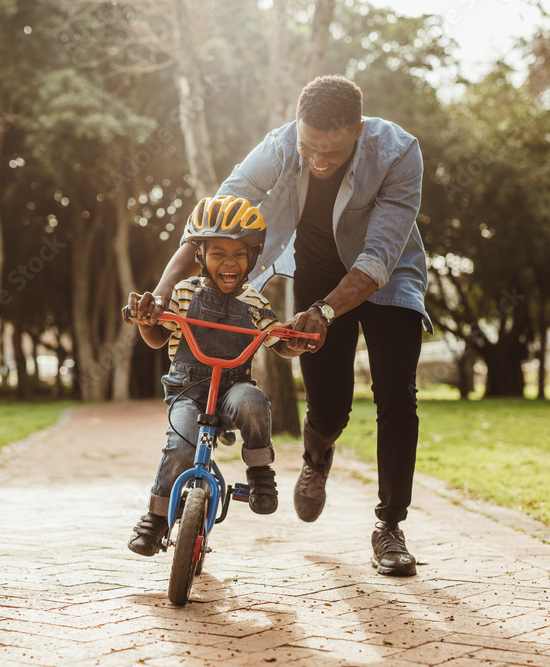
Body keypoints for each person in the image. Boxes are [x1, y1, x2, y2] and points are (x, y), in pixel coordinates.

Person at [135, 75, 431, 576]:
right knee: (330, 406)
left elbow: (378, 256)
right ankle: (317, 454)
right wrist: (161, 295)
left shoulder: (399, 153)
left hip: (388, 273)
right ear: (298, 127)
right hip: (318, 269)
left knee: (396, 392)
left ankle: (390, 526)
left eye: (331, 154)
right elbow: (212, 222)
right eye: (309, 147)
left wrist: (327, 313)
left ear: (357, 131)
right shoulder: (278, 146)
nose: (317, 161)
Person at [125, 195, 305, 557]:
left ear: (253, 258)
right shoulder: (182, 292)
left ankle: (259, 473)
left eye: (240, 254)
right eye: (218, 253)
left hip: (232, 388)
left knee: (254, 403)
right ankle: (156, 518)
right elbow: (159, 336)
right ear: (200, 256)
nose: (229, 262)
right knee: (181, 444)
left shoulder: (255, 302)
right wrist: (146, 321)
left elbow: (278, 341)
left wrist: (296, 341)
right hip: (187, 390)